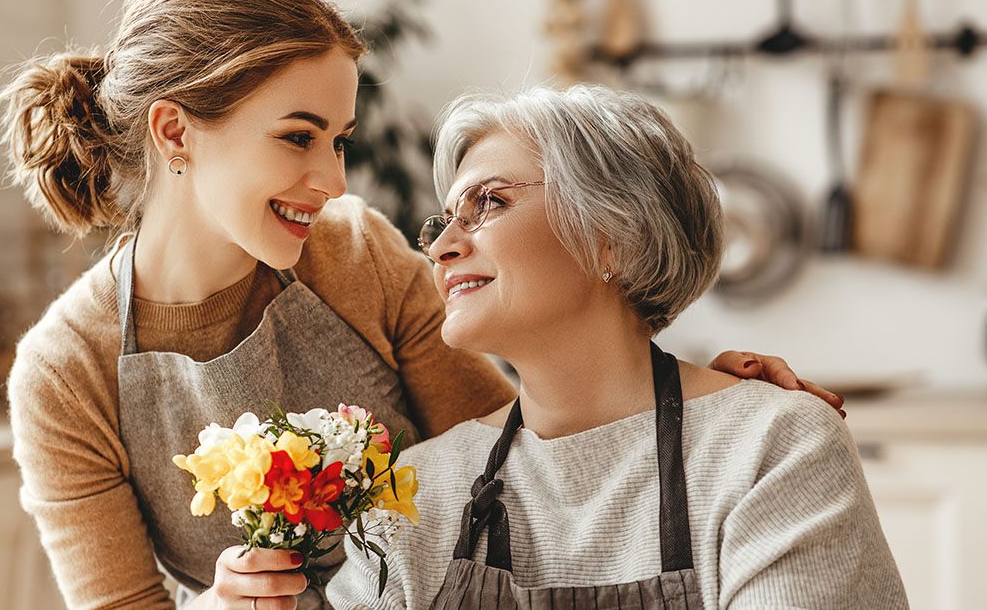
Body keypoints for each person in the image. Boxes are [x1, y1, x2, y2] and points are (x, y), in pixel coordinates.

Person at [0, 0, 843, 608]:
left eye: (340, 139)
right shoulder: (66, 374)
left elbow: (528, 454)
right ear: (175, 130)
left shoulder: (354, 255)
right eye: (298, 137)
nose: (331, 178)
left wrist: (703, 405)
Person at [325, 84, 908, 609]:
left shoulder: (771, 447)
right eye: (445, 219)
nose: (443, 245)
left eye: (490, 203)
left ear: (615, 239)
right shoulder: (415, 490)